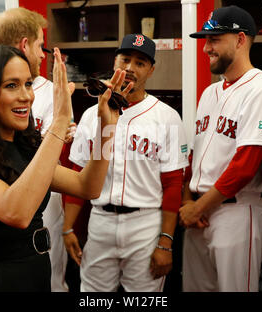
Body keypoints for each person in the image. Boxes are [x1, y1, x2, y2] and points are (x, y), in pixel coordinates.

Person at [0, 45, 121, 292]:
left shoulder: (23, 145)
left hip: (33, 272)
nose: (26, 96)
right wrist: (59, 123)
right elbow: (16, 212)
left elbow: (88, 187)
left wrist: (107, 130)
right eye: (11, 85)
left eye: (28, 84)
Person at [63, 33, 189, 292]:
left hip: (145, 224)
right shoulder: (91, 114)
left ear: (151, 70)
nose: (130, 68)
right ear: (115, 61)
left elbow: (173, 184)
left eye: (140, 63)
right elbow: (77, 172)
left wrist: (166, 242)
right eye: (126, 59)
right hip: (100, 222)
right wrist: (67, 228)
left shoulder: (167, 117)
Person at [180, 5, 262, 292]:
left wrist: (197, 207)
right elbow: (196, 155)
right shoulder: (210, 92)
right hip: (199, 213)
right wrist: (189, 201)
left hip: (236, 212)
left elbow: (245, 165)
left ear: (240, 40)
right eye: (206, 40)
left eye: (214, 39)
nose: (206, 48)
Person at [0, 7, 76, 291]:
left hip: (42, 199)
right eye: (40, 45)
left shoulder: (52, 91)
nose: (43, 54)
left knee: (48, 281)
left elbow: (61, 158)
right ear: (24, 44)